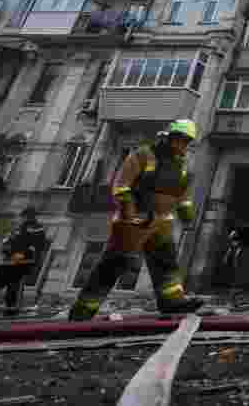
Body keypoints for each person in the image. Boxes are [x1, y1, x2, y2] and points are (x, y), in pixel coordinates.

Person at [69, 119, 205, 321]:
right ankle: (84, 309)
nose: (182, 145)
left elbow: (181, 193)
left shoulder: (180, 164)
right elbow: (122, 186)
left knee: (166, 263)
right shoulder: (143, 155)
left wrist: (186, 214)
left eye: (186, 142)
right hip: (136, 220)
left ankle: (172, 302)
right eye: (180, 140)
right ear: (169, 138)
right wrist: (129, 212)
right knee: (115, 263)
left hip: (162, 222)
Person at [0, 206, 48, 316]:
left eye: (24, 216)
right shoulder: (20, 228)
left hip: (21, 262)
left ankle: (10, 309)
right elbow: (10, 241)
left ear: (30, 216)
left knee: (8, 285)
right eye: (23, 216)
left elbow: (33, 245)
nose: (23, 218)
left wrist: (19, 253)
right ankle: (6, 308)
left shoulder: (36, 228)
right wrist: (6, 247)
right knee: (0, 283)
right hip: (11, 261)